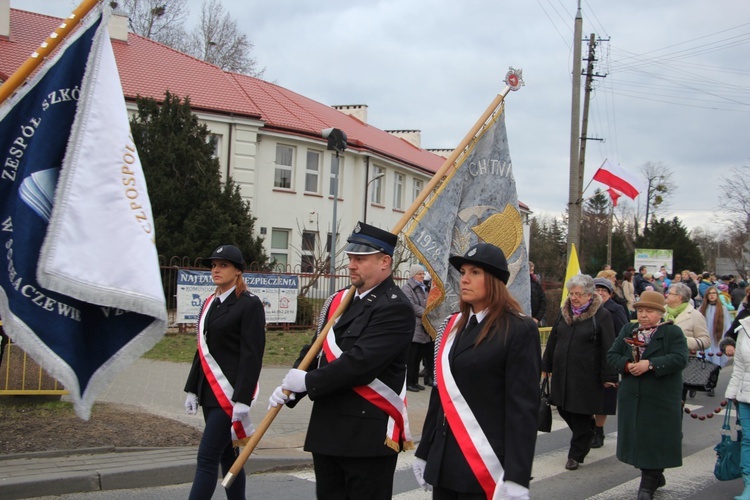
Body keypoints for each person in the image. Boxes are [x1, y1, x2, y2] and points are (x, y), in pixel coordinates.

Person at [268, 222, 414, 500]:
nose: (352, 264)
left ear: (385, 262)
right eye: (350, 257)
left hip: (365, 437)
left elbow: (360, 363)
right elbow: (317, 349)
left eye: (361, 258)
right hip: (328, 429)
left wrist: (308, 382)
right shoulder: (341, 301)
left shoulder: (395, 306)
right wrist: (291, 387)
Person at [413, 243, 540, 499]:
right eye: (462, 272)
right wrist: (425, 450)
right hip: (446, 460)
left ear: (494, 280)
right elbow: (441, 395)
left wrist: (517, 475)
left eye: (475, 272)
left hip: (485, 463)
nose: (465, 280)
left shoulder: (518, 329)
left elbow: (522, 409)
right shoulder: (453, 326)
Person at [183, 245, 266, 500]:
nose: (216, 270)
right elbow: (203, 349)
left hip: (229, 395)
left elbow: (252, 355)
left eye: (223, 265)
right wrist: (191, 389)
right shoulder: (211, 302)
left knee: (206, 457)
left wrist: (242, 398)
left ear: (238, 271)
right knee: (227, 456)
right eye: (213, 265)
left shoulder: (249, 305)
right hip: (209, 391)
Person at [607, 291, 689, 500]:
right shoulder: (629, 329)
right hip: (633, 395)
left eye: (649, 311)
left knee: (655, 440)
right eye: (640, 310)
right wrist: (626, 365)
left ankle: (647, 485)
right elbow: (612, 355)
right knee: (639, 440)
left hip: (660, 396)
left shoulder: (672, 333)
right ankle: (654, 476)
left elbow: (680, 359)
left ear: (660, 313)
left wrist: (650, 364)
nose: (643, 315)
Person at [542, 274, 617, 471]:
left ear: (589, 295)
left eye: (579, 294)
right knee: (565, 409)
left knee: (581, 413)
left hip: (586, 376)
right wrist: (546, 365)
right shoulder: (564, 312)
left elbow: (608, 346)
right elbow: (553, 339)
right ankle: (589, 431)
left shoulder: (602, 316)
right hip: (562, 373)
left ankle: (575, 455)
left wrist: (609, 376)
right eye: (572, 293)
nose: (574, 297)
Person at [591, 277, 629, 449]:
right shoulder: (586, 309)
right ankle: (588, 428)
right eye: (596, 290)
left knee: (604, 398)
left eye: (603, 290)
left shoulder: (616, 310)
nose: (600, 293)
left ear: (610, 294)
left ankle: (599, 430)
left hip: (607, 358)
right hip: (587, 360)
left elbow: (624, 333)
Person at [665, 282, 711, 400]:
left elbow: (705, 341)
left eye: (670, 293)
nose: (666, 295)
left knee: (675, 404)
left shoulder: (695, 315)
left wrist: (682, 341)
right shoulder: (661, 312)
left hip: (682, 366)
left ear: (679, 297)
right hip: (659, 364)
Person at [725, 314, 750, 500]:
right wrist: (731, 392)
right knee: (748, 440)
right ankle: (749, 485)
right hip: (746, 396)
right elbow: (739, 366)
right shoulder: (744, 328)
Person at [699, 286, 734, 396]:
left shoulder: (722, 308)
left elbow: (727, 325)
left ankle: (712, 385)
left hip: (716, 340)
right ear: (707, 296)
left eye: (714, 293)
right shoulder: (702, 308)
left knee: (715, 363)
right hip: (705, 339)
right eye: (710, 293)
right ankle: (701, 383)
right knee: (703, 362)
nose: (712, 295)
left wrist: (726, 341)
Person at [403, 264, 431, 392]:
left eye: (423, 274)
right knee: (411, 358)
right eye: (420, 274)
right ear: (413, 275)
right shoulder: (407, 288)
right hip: (414, 327)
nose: (422, 276)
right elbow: (411, 305)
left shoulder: (423, 288)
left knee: (418, 357)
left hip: (422, 328)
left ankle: (414, 381)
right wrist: (426, 313)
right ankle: (409, 382)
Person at [529, 260, 547, 326]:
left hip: (534, 320)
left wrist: (537, 318)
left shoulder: (536, 285)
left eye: (532, 270)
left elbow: (543, 301)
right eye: (529, 270)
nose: (531, 273)